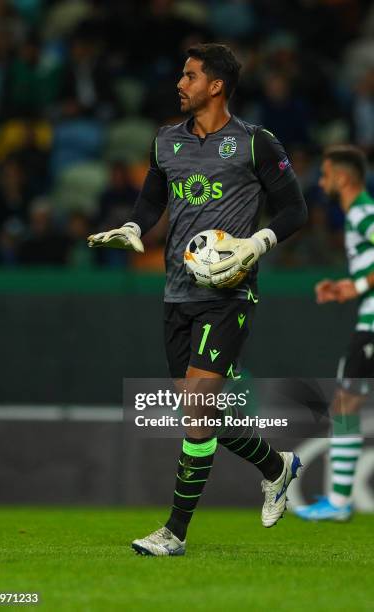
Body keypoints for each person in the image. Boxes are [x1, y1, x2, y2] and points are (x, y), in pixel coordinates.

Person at [88, 43, 307, 555]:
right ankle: (277, 467)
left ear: (216, 85)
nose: (179, 84)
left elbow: (294, 211)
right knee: (200, 414)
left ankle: (175, 532)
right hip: (176, 293)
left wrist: (257, 243)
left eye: (189, 76)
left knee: (196, 405)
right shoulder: (166, 141)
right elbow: (150, 201)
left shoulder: (256, 143)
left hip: (229, 293)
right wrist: (131, 227)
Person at [295, 145, 374, 522]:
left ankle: (339, 502)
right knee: (346, 405)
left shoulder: (361, 212)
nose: (322, 181)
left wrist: (357, 289)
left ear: (342, 177)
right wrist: (350, 286)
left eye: (326, 175)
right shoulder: (359, 215)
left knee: (345, 406)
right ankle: (338, 502)